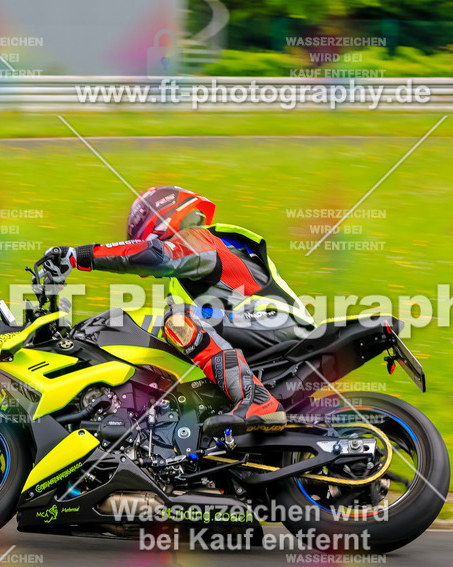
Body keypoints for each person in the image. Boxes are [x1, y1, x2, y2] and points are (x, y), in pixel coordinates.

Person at [37, 185, 315, 433]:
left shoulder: (198, 239)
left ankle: (256, 399)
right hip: (254, 327)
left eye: (140, 234)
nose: (140, 241)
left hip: (275, 321)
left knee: (178, 320)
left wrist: (78, 256)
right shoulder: (182, 281)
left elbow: (154, 255)